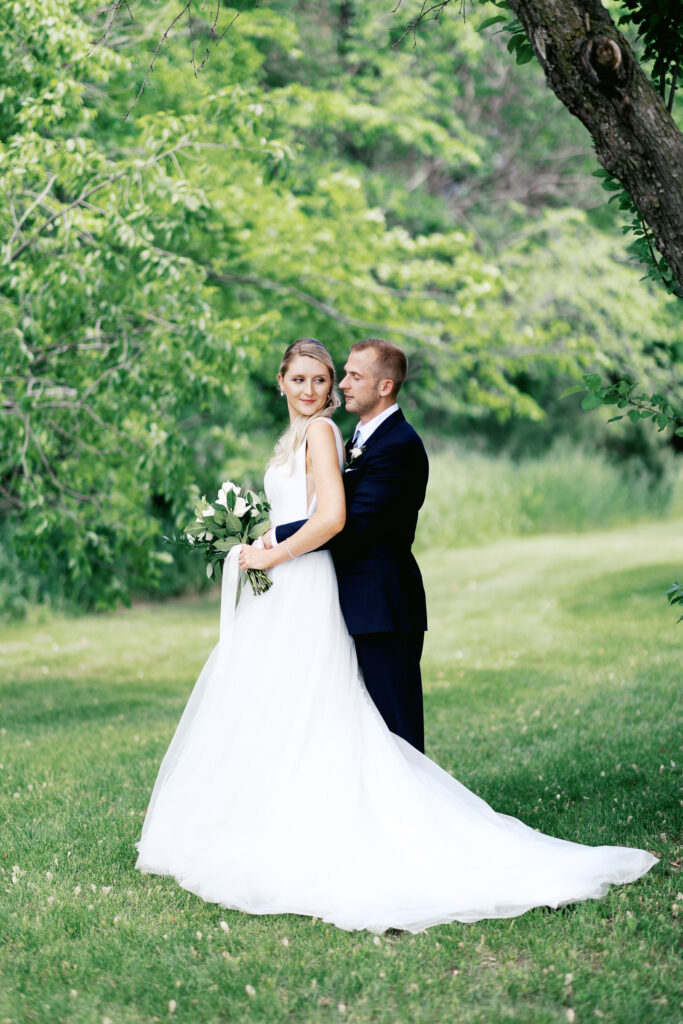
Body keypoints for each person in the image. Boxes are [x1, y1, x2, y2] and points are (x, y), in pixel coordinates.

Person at [135, 337, 656, 934]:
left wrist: (270, 550)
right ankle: (306, 819)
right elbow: (323, 509)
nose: (326, 388)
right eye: (309, 379)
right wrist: (263, 539)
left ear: (375, 385)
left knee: (390, 734)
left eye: (333, 378)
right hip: (320, 592)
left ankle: (411, 835)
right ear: (280, 380)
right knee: (309, 714)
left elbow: (344, 521)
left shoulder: (381, 442)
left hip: (375, 600)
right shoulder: (339, 437)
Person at [266, 338, 428, 752]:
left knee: (396, 735)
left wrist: (273, 539)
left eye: (355, 376)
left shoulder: (400, 446)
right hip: (345, 600)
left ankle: (412, 814)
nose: (344, 385)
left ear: (385, 386)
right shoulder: (359, 437)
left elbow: (351, 525)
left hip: (383, 608)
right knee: (357, 732)